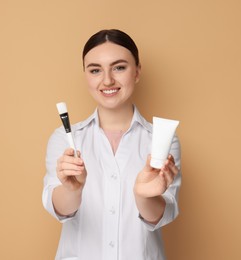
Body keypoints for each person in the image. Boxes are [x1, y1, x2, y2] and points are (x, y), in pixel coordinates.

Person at [43, 29, 182, 260]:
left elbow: (161, 215)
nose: (107, 80)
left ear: (137, 72)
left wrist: (144, 196)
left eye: (119, 67)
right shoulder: (65, 138)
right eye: (95, 70)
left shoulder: (161, 139)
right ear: (86, 75)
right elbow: (61, 210)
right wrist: (71, 190)